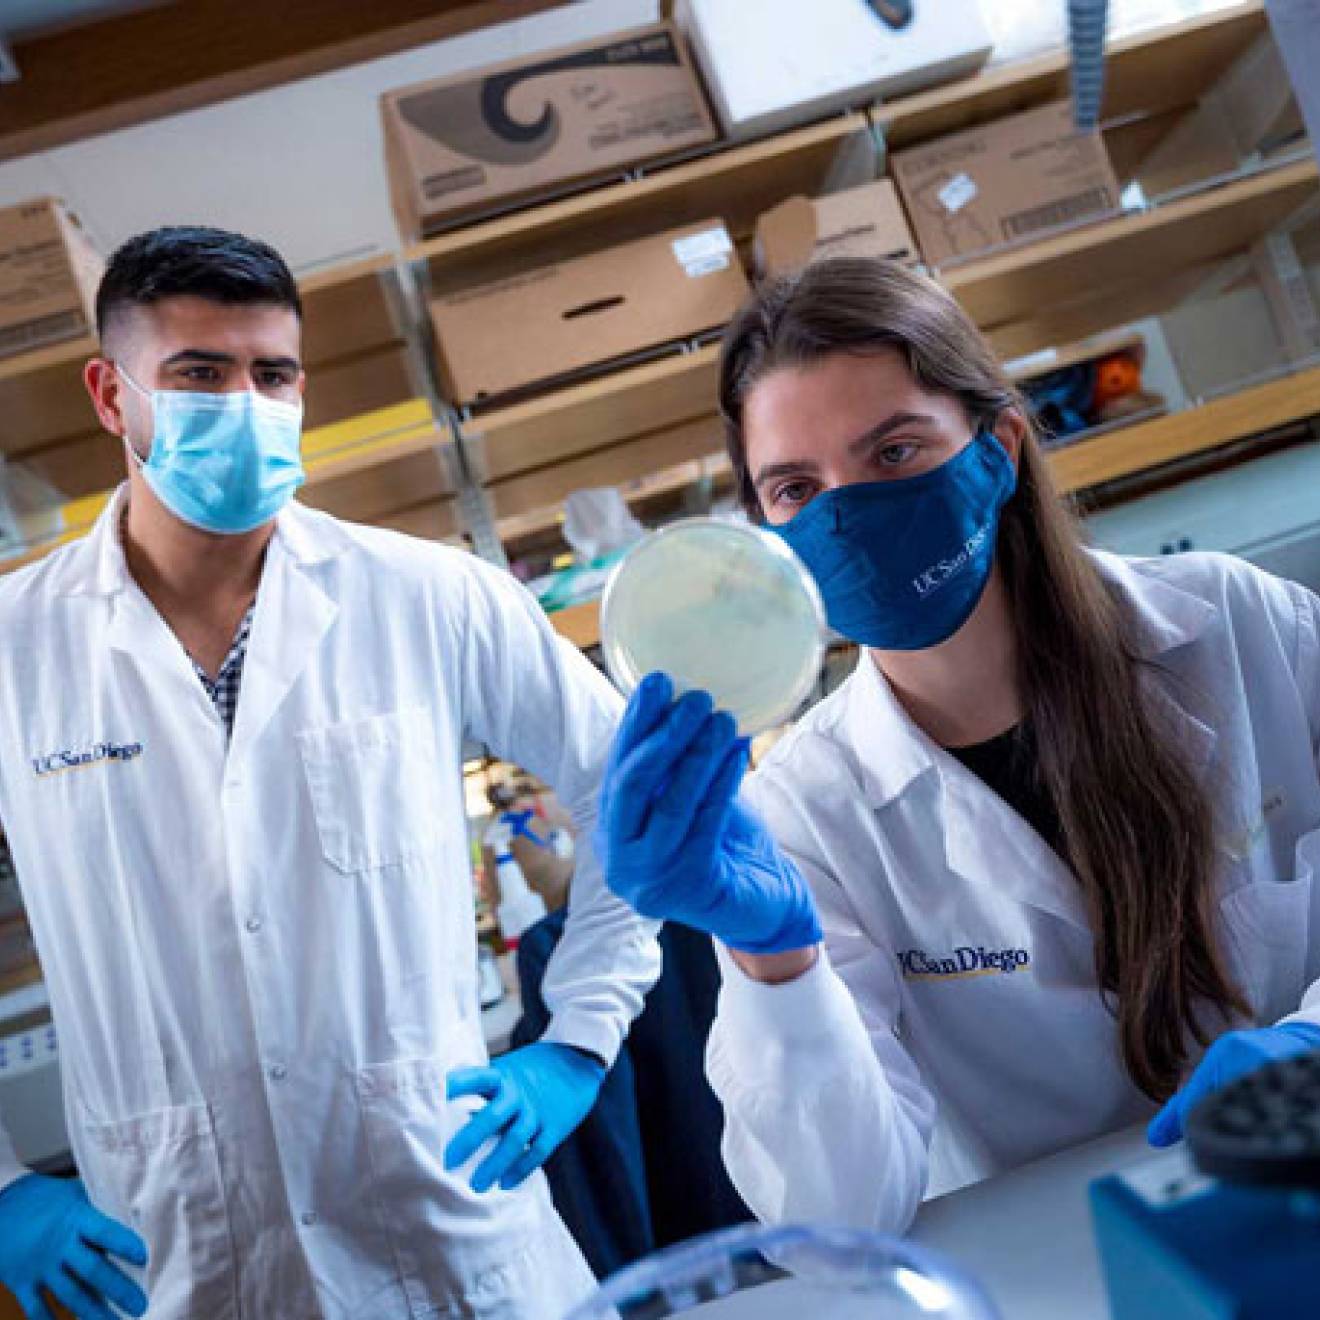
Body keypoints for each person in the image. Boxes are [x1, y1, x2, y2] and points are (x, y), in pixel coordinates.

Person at [0, 226, 660, 1319]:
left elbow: (633, 796)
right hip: (183, 1254)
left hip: (450, 1231)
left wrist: (580, 1041)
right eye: (200, 375)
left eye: (273, 374)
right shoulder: (18, 643)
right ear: (111, 398)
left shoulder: (430, 596)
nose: (247, 405)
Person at [596, 257, 1320, 1235]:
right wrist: (776, 960)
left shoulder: (1236, 625)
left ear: (1000, 448)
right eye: (797, 487)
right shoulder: (806, 811)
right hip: (1077, 1271)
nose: (844, 515)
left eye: (893, 453)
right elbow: (842, 1213)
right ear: (763, 526)